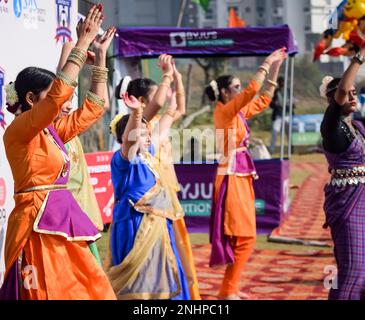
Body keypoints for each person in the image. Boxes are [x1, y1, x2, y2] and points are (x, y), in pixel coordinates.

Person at [0, 5, 116, 300]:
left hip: (60, 222)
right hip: (35, 227)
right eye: (50, 96)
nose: (63, 104)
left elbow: (94, 108)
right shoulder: (19, 132)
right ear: (29, 98)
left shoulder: (51, 131)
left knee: (88, 290)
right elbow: (58, 97)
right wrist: (82, 43)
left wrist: (99, 59)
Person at [205, 48, 287, 300]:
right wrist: (265, 62)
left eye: (240, 86)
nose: (240, 90)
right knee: (244, 237)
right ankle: (228, 291)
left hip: (240, 175)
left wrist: (275, 67)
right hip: (231, 177)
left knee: (244, 237)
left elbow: (262, 99)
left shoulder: (237, 112)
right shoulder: (225, 111)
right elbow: (253, 92)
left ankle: (229, 289)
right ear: (226, 93)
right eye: (236, 87)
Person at [55, 27, 116, 265]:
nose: (69, 106)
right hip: (60, 223)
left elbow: (99, 105)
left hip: (82, 220)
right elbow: (59, 89)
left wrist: (100, 56)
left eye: (70, 102)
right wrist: (77, 45)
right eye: (64, 102)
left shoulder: (69, 130)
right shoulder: (48, 133)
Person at [320, 47, 365, 300]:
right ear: (332, 100)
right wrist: (358, 58)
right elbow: (341, 92)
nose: (352, 95)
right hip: (347, 201)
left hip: (363, 197)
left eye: (354, 92)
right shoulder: (330, 126)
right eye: (347, 93)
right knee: (353, 269)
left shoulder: (358, 127)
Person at [269, 76, 295, 153]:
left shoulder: (288, 91)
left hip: (287, 115)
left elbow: (292, 103)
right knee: (274, 131)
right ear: (278, 83)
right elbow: (271, 104)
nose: (282, 83)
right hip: (278, 116)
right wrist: (275, 104)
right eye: (280, 82)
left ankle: (291, 149)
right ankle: (271, 149)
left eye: (283, 82)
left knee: (289, 133)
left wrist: (291, 103)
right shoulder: (275, 92)